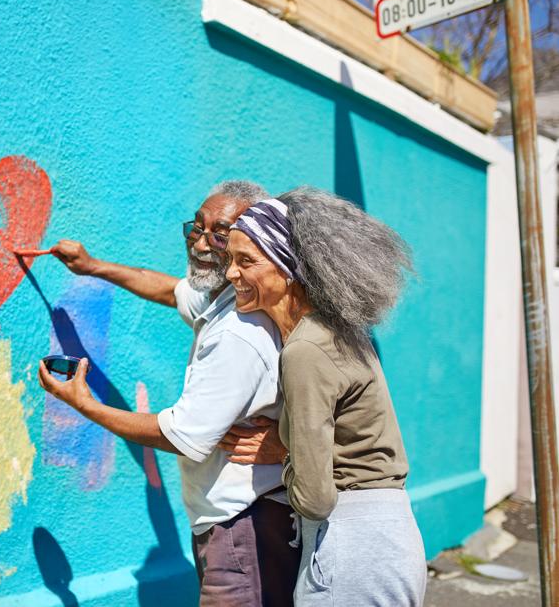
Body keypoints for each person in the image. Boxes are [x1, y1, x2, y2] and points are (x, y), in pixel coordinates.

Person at [37, 181, 300, 607]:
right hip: (233, 521)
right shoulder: (228, 295)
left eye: (220, 233)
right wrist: (93, 266)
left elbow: (183, 435)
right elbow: (170, 289)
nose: (201, 242)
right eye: (196, 227)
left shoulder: (240, 332)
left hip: (244, 524)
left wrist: (84, 405)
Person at [221, 188, 426, 606]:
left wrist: (284, 452)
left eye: (246, 261)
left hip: (351, 543)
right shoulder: (337, 331)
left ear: (288, 267)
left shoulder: (305, 352)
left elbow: (315, 499)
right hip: (386, 534)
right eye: (230, 260)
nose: (230, 274)